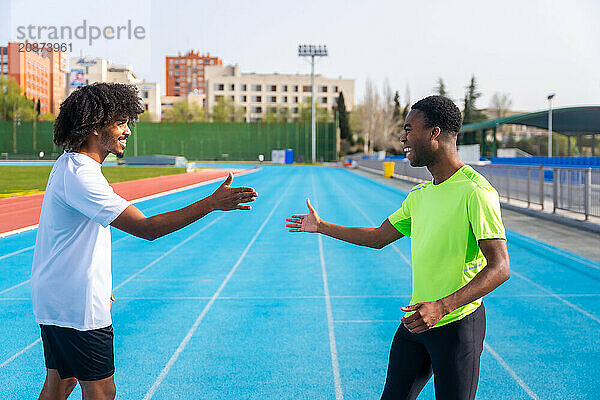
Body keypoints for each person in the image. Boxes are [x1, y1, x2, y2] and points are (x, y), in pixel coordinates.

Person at [31, 82, 258, 400]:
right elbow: (147, 227)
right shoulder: (82, 175)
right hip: (76, 306)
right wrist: (211, 203)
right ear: (96, 126)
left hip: (59, 298)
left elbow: (70, 239)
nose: (127, 131)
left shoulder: (70, 165)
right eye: (120, 122)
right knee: (102, 391)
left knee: (62, 381)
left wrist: (97, 281)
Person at [286, 95, 510, 400]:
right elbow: (378, 237)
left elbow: (500, 268)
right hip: (418, 321)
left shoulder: (475, 191)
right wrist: (322, 226)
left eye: (409, 129)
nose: (403, 137)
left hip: (457, 326)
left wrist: (442, 307)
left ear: (434, 133)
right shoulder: (420, 195)